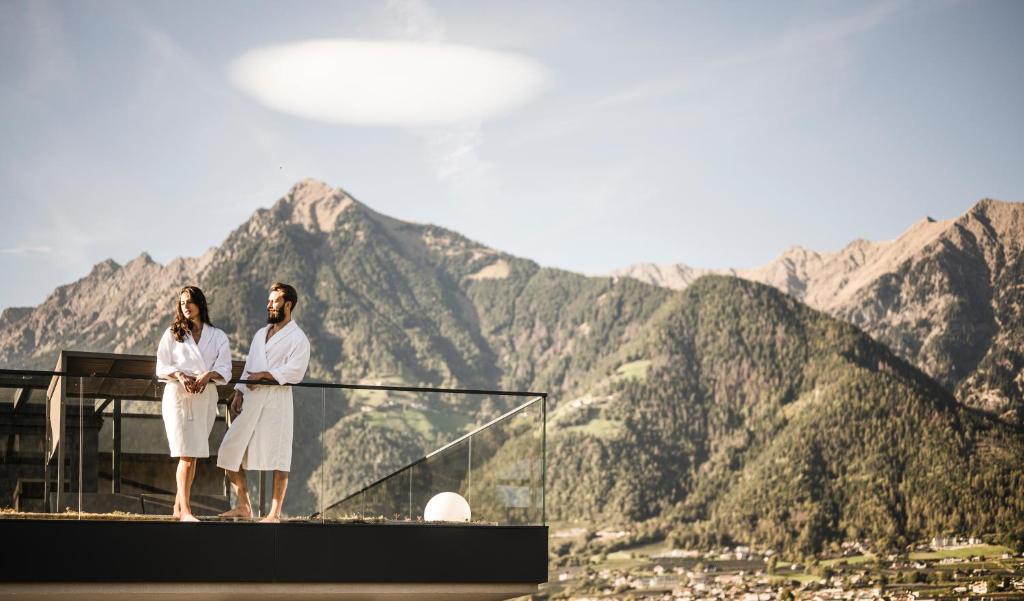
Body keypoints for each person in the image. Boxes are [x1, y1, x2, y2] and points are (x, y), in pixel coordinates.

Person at [217, 282, 310, 523]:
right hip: (251, 398)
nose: (269, 305)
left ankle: (274, 513)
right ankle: (243, 505)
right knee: (229, 449)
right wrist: (238, 392)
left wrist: (266, 375)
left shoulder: (298, 338)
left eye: (275, 301)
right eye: (269, 301)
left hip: (277, 403)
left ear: (288, 304)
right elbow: (249, 365)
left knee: (279, 455)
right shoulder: (261, 333)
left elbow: (296, 372)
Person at [155, 286, 233, 522]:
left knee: (194, 454)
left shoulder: (217, 336)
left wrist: (208, 375)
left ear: (200, 303)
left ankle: (178, 509)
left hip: (205, 399)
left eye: (189, 301)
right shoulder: (172, 333)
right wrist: (179, 374)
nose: (185, 306)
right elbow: (161, 366)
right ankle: (186, 511)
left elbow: (226, 368)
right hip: (178, 398)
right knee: (186, 454)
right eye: (181, 303)